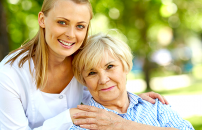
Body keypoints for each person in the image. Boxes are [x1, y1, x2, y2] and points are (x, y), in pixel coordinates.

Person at [0, 0, 168, 129]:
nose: (71, 35)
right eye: (62, 22)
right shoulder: (9, 75)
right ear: (42, 20)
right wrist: (69, 117)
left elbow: (102, 92)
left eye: (80, 26)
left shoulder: (85, 62)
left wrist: (132, 100)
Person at [71, 33, 194, 130]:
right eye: (92, 73)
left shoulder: (155, 107)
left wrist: (122, 125)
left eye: (110, 66)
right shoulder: (83, 124)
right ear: (83, 80)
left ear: (126, 66)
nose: (103, 80)